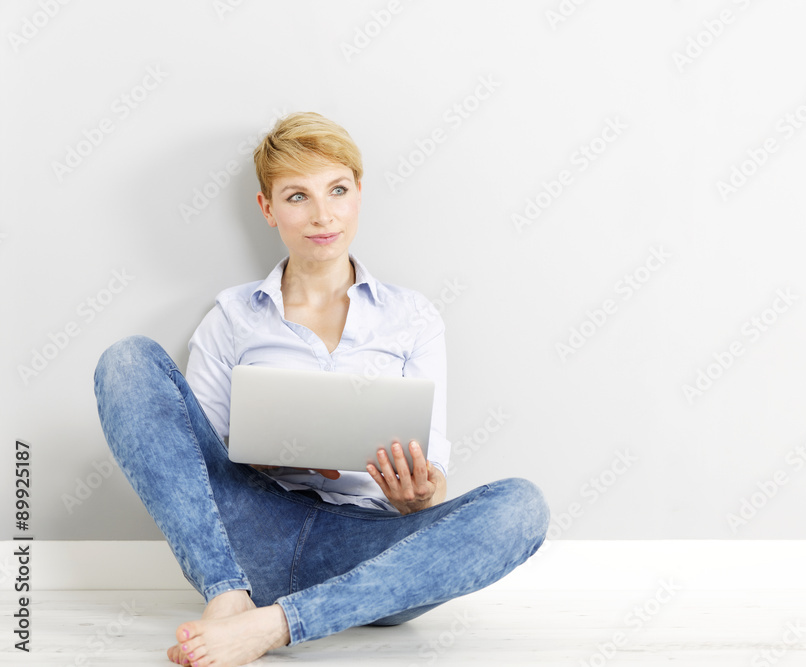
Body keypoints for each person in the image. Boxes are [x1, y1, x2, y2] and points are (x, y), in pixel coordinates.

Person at [93, 111, 549, 667]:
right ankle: (225, 595)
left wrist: (419, 498)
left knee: (523, 506)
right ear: (267, 209)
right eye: (296, 196)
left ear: (359, 192)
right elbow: (192, 467)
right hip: (251, 534)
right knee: (125, 361)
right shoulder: (233, 317)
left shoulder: (413, 317)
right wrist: (259, 460)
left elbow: (432, 470)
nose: (322, 215)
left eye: (337, 189)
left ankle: (273, 625)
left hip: (367, 550)